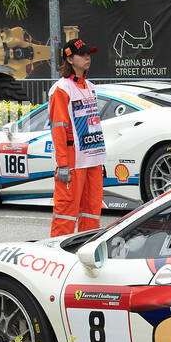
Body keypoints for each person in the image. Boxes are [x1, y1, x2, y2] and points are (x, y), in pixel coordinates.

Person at [48, 37, 105, 236]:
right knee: (66, 213)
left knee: (91, 212)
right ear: (70, 59)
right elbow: (58, 128)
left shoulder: (90, 86)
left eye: (89, 54)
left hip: (92, 158)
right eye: (82, 54)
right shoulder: (61, 89)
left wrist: (99, 158)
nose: (87, 58)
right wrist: (62, 163)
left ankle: (85, 250)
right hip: (73, 160)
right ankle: (57, 256)